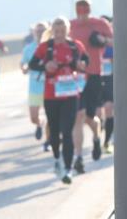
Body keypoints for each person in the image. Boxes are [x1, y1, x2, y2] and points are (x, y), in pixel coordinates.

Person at [28, 17, 89, 184]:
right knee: (54, 131)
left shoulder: (74, 46)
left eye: (63, 31)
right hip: (51, 95)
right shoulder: (45, 47)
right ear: (52, 31)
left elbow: (86, 60)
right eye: (57, 31)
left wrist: (81, 64)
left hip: (70, 95)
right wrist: (45, 66)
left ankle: (68, 169)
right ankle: (56, 158)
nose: (60, 34)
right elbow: (33, 63)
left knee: (66, 131)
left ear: (67, 31)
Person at [69, 0, 113, 172]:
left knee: (90, 117)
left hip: (94, 74)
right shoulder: (70, 25)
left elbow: (113, 41)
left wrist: (102, 40)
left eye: (85, 9)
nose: (82, 14)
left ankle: (96, 137)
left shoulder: (99, 24)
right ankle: (78, 157)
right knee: (77, 117)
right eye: (80, 10)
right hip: (76, 78)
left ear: (89, 9)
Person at [21, 21, 49, 148]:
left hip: (49, 86)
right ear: (34, 32)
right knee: (33, 117)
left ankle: (48, 141)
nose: (40, 33)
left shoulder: (51, 46)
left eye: (43, 31)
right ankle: (39, 124)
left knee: (51, 117)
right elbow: (23, 63)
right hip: (35, 86)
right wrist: (24, 67)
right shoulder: (28, 48)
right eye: (38, 31)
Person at [99, 15, 115, 152]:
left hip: (110, 78)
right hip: (96, 79)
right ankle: (97, 139)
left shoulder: (114, 41)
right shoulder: (91, 41)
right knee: (97, 114)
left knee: (109, 109)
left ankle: (106, 142)